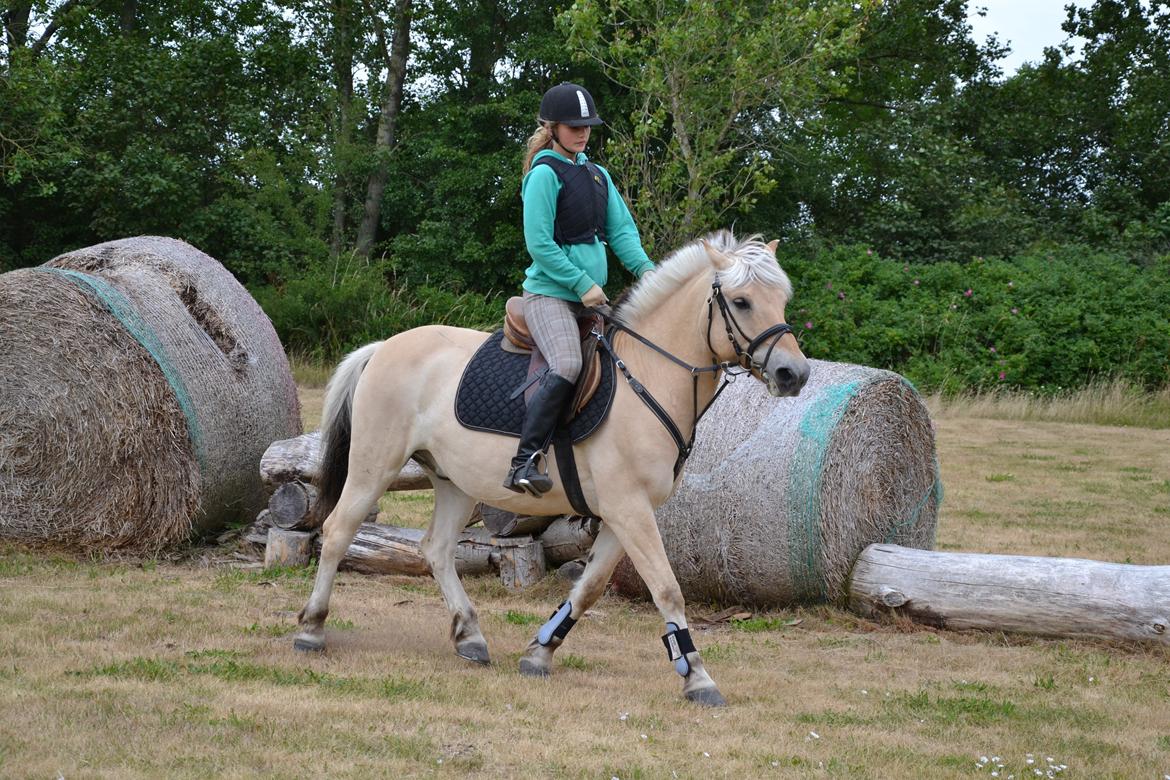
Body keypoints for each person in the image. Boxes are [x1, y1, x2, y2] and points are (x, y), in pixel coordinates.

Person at [503, 82, 656, 496]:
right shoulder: (543, 175)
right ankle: (524, 460)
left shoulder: (596, 174)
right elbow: (539, 244)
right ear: (552, 128)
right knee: (568, 364)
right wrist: (580, 282)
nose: (583, 132)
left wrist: (650, 273)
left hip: (592, 297)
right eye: (574, 126)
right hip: (551, 296)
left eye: (588, 125)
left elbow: (622, 232)